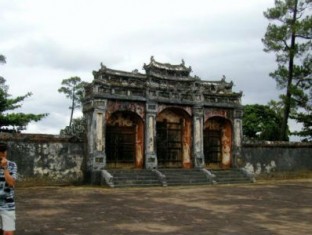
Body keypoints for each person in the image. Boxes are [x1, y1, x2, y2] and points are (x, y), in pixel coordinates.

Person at [0, 143, 17, 235]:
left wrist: (5, 168)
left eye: (4, 152)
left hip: (8, 204)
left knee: (8, 233)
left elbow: (11, 183)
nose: (3, 154)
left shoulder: (12, 165)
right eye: (1, 152)